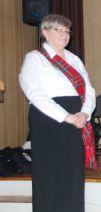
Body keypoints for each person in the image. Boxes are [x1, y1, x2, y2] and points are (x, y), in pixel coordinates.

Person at [19, 14, 96, 212]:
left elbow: (89, 91)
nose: (64, 35)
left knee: (72, 174)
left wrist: (84, 114)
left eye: (67, 31)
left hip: (76, 120)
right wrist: (66, 116)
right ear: (45, 32)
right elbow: (34, 93)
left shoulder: (74, 59)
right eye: (58, 30)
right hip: (49, 122)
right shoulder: (35, 58)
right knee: (50, 174)